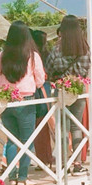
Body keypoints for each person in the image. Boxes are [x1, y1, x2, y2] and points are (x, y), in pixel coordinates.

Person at [0, 22, 46, 185]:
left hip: (6, 101)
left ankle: (11, 177)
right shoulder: (32, 55)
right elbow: (40, 80)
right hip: (26, 101)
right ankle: (23, 178)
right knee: (26, 141)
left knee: (11, 140)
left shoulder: (2, 55)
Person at [45, 15, 90, 173]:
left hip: (62, 89)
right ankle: (77, 164)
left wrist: (60, 77)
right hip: (78, 89)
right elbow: (85, 69)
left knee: (63, 127)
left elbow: (49, 68)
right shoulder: (84, 48)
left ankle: (64, 163)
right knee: (76, 126)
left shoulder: (57, 48)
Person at [30, 29, 54, 172]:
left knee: (38, 126)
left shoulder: (32, 55)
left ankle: (42, 159)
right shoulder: (46, 54)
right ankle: (47, 157)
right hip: (44, 88)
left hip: (36, 89)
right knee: (44, 124)